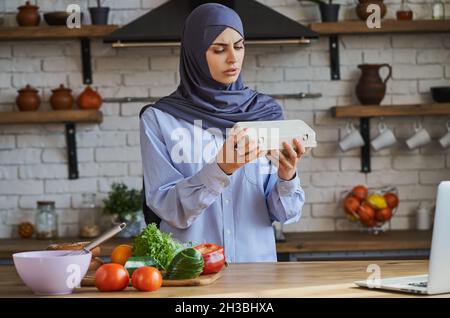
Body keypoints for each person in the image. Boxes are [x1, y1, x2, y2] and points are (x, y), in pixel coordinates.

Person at [139, 3, 305, 263]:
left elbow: (285, 215)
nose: (233, 58)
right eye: (219, 49)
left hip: (257, 275)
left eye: (239, 46)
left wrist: (287, 177)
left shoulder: (267, 114)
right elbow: (168, 208)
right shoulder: (160, 119)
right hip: (191, 276)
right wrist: (221, 168)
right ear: (194, 52)